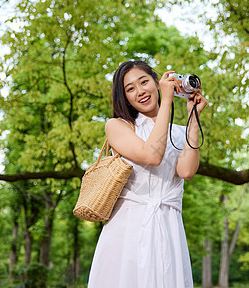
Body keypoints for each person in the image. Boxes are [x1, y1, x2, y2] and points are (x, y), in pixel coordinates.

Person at [87, 60, 208, 288]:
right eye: (130, 89)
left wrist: (193, 117)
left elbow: (187, 171)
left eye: (144, 82)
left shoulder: (178, 132)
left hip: (169, 226)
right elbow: (151, 156)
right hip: (128, 229)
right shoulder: (118, 126)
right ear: (124, 98)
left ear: (156, 82)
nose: (140, 91)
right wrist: (168, 102)